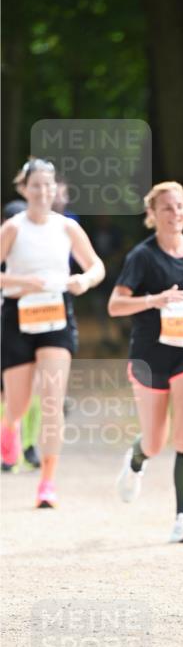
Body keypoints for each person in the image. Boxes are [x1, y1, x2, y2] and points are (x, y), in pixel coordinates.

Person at [108, 181, 183, 544]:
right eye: (168, 208)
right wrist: (153, 300)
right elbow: (114, 305)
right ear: (153, 214)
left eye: (180, 206)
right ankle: (137, 458)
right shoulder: (142, 257)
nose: (176, 213)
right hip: (150, 356)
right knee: (156, 441)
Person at [0, 158, 105, 506]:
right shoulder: (12, 228)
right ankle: (11, 427)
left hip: (57, 314)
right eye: (36, 185)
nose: (43, 191)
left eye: (48, 185)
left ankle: (47, 482)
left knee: (51, 400)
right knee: (16, 403)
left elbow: (96, 266)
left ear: (55, 189)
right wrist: (21, 282)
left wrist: (84, 281)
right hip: (18, 315)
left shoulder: (66, 228)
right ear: (23, 189)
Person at [1, 198, 41, 471]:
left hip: (30, 328)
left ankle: (28, 444)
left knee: (33, 388)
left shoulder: (34, 257)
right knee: (8, 393)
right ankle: (10, 444)